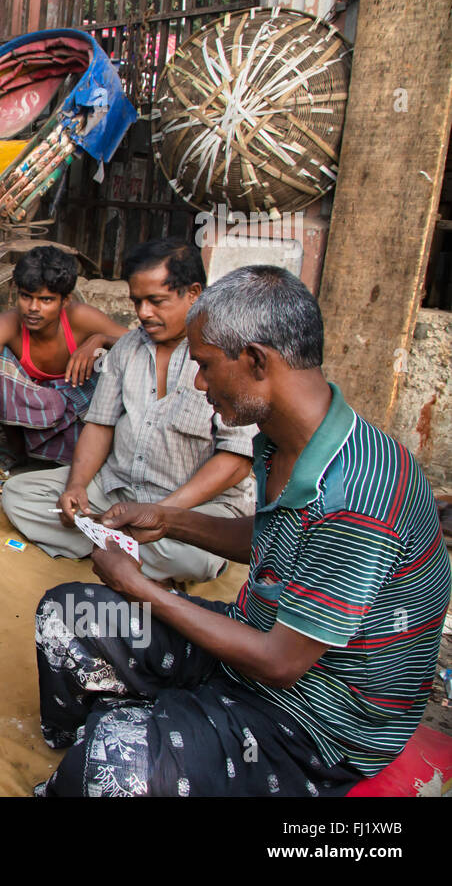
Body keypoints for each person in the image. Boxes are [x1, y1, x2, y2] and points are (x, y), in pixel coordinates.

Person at [33, 266, 452, 796]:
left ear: (256, 360)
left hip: (316, 719)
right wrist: (170, 520)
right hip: (248, 647)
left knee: (113, 761)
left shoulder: (359, 492)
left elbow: (280, 664)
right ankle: (144, 738)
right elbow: (277, 538)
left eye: (206, 365)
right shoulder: (283, 439)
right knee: (65, 617)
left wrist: (139, 588)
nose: (200, 383)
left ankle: (138, 744)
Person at [2, 238, 256, 583]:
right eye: (137, 301)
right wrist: (77, 486)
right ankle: (123, 547)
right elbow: (100, 426)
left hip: (193, 508)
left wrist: (163, 513)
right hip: (118, 491)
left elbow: (236, 460)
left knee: (194, 556)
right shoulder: (127, 349)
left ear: (194, 293)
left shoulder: (227, 354)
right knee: (19, 496)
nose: (143, 313)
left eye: (156, 301)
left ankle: (108, 544)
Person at [0, 245, 128, 513]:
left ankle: (76, 463)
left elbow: (137, 344)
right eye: (26, 297)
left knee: (111, 361)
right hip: (34, 417)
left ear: (65, 300)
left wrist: (101, 339)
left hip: (78, 421)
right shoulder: (4, 326)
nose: (33, 308)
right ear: (16, 292)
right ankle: (19, 451)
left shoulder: (81, 318)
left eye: (46, 300)